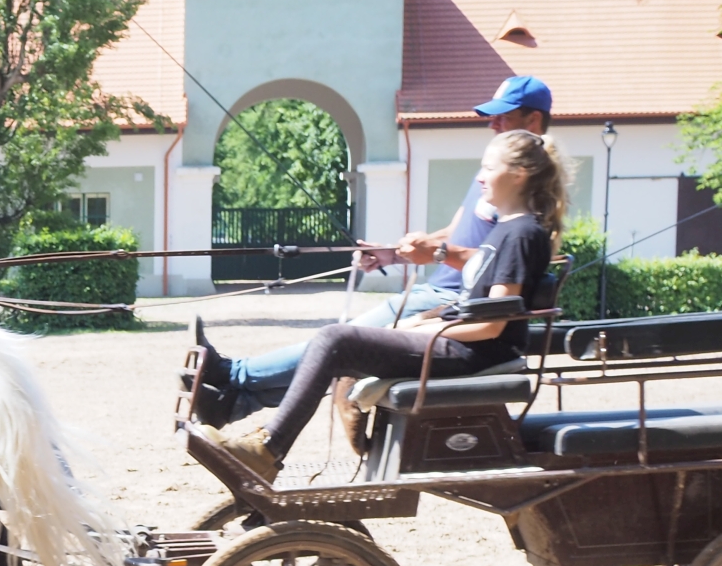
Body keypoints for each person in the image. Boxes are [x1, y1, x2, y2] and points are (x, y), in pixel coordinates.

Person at [197, 127, 568, 481]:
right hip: (458, 344)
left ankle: (265, 447)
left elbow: (492, 325)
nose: (480, 177)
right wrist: (422, 319)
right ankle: (243, 413)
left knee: (335, 340)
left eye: (488, 168)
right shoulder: (507, 229)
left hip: (470, 353)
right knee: (337, 343)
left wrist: (420, 327)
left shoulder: (521, 234)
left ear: (518, 174)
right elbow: (477, 308)